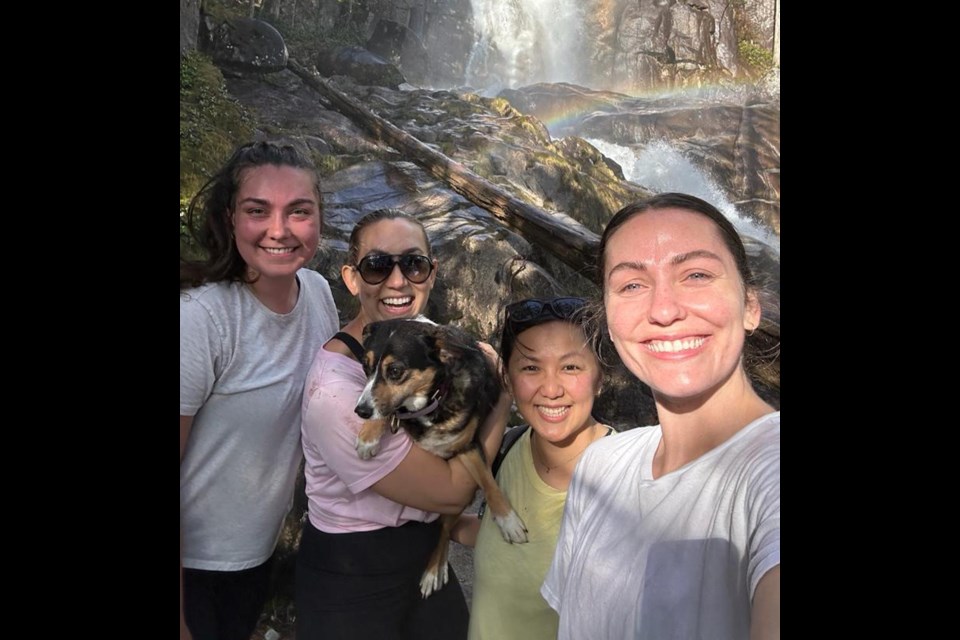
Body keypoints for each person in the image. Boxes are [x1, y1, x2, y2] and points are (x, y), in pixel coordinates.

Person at [542, 193, 780, 639]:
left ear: (750, 306)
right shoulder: (601, 464)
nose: (665, 310)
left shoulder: (770, 474)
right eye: (632, 285)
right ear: (609, 323)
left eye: (696, 274)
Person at [296, 208, 512, 640]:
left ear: (432, 273)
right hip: (354, 578)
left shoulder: (426, 337)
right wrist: (504, 397)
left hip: (426, 550)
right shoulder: (335, 396)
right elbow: (452, 490)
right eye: (377, 266)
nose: (398, 281)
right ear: (352, 278)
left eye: (412, 264)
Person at [179, 141, 339, 640]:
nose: (279, 230)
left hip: (256, 554)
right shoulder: (202, 319)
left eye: (299, 212)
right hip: (193, 567)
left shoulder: (317, 292)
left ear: (318, 220)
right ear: (230, 218)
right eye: (257, 211)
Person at [451, 296, 614, 640]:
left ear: (601, 378)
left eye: (571, 367)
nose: (551, 389)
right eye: (530, 368)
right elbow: (507, 543)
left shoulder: (625, 481)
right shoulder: (508, 448)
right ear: (506, 379)